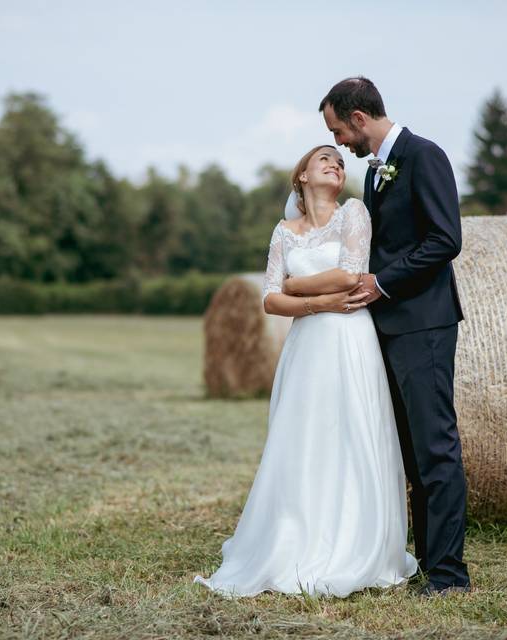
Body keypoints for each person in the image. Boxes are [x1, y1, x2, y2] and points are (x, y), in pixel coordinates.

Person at [193, 144, 418, 597]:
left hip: (350, 339)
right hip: (306, 347)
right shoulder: (284, 231)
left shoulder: (353, 213)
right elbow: (269, 300)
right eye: (324, 160)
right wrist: (317, 303)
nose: (336, 164)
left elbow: (351, 274)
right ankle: (295, 537)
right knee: (304, 437)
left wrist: (296, 285)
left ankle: (353, 542)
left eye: (340, 162)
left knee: (353, 430)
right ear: (302, 176)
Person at [319, 76, 472, 596]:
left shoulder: (424, 155)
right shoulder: (377, 172)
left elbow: (445, 239)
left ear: (358, 119)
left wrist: (381, 282)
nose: (339, 142)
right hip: (390, 330)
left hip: (424, 326)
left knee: (435, 449)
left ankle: (450, 576)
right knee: (411, 453)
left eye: (338, 130)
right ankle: (430, 564)